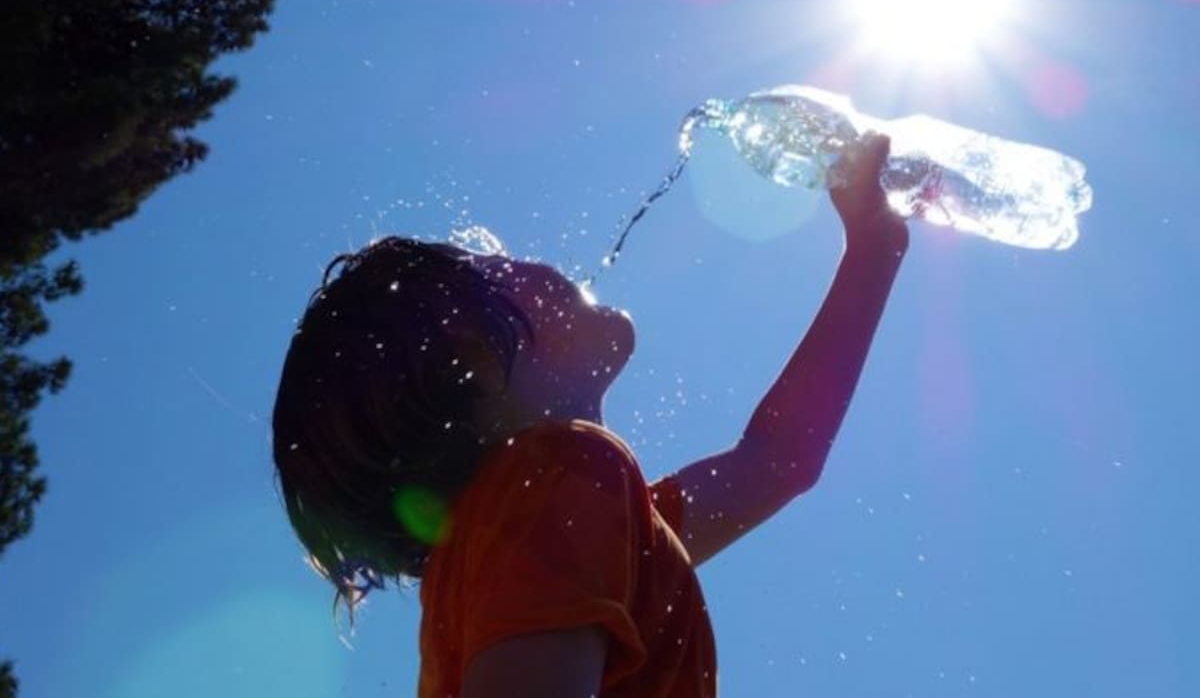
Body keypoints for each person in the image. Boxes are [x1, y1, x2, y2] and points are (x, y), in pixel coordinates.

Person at [272, 133, 908, 697]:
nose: (525, 261)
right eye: (494, 267)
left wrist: (874, 247)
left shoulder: (563, 525)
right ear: (474, 360)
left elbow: (778, 460)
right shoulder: (553, 483)